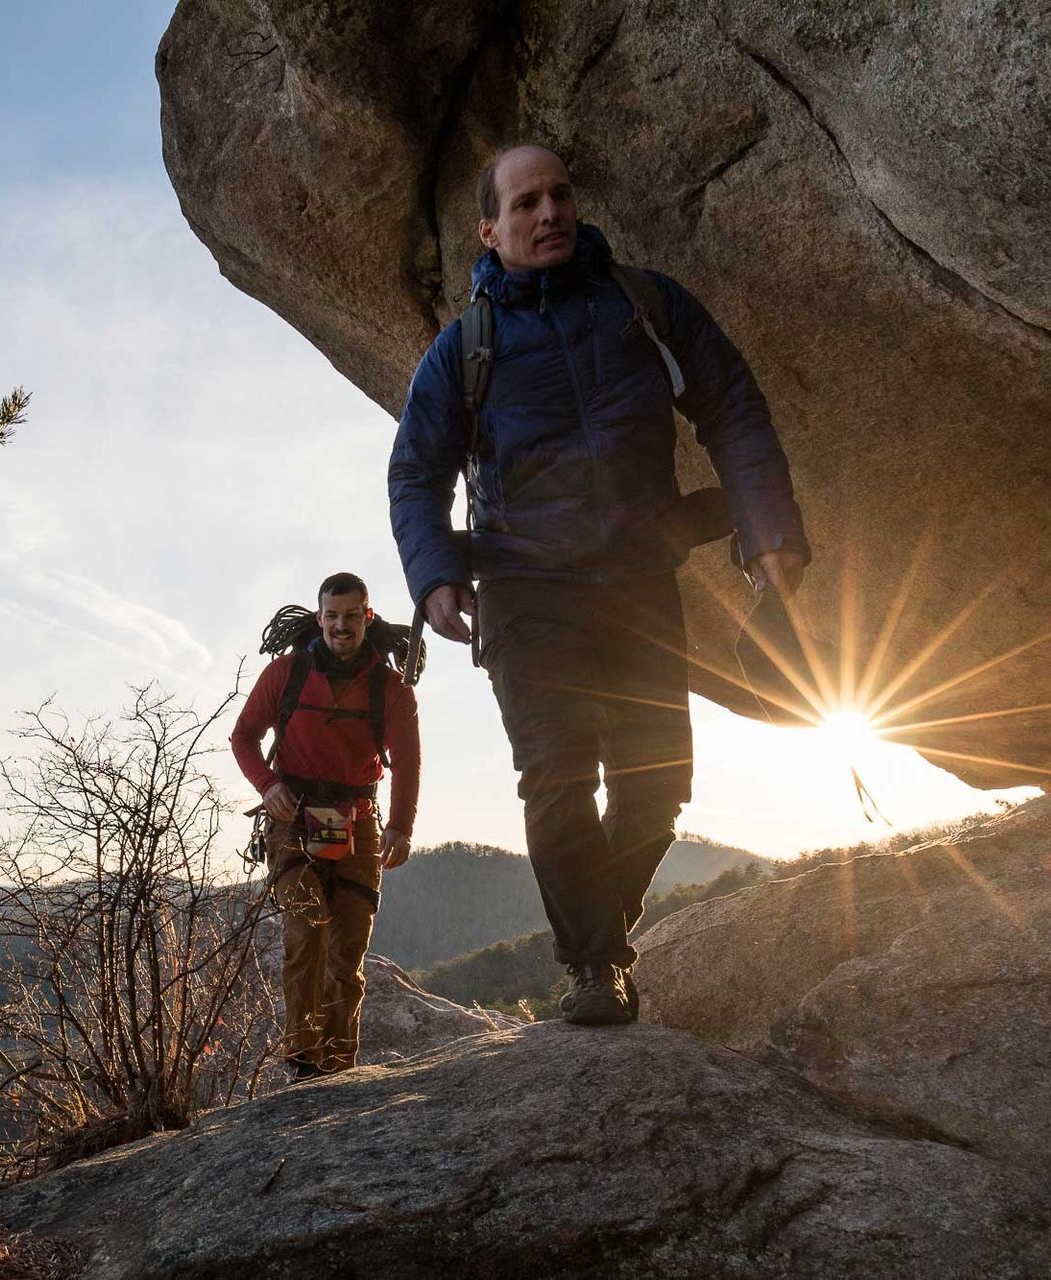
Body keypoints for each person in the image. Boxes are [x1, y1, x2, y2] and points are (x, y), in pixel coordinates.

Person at [387, 145, 810, 1026]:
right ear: (490, 230)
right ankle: (593, 967)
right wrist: (433, 578)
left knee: (660, 786)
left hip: (638, 583)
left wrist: (770, 536)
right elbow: (416, 472)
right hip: (525, 588)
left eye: (561, 195)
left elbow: (734, 407)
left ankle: (600, 928)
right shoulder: (463, 349)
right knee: (559, 773)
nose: (550, 214)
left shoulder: (645, 305)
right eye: (527, 203)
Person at [231, 572, 421, 1078]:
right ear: (319, 619)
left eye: (351, 616)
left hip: (358, 820)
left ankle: (337, 1067)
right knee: (306, 927)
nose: (341, 626)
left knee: (348, 949)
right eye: (332, 616)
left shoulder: (391, 688)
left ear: (368, 617)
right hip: (291, 816)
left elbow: (408, 761)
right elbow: (244, 735)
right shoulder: (285, 674)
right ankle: (302, 1061)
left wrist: (400, 826)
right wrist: (267, 785)